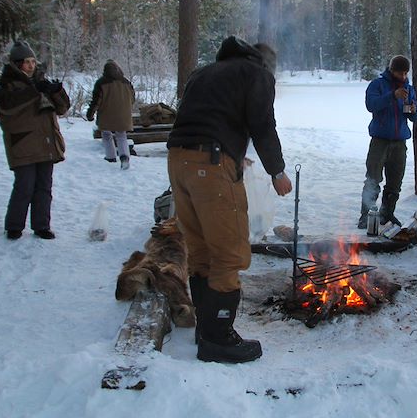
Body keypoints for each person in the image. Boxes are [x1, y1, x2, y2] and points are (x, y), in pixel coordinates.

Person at [166, 36, 292, 364]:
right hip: (210, 163)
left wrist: (234, 155)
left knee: (202, 248)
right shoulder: (257, 74)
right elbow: (262, 124)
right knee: (230, 250)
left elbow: (210, 118)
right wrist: (277, 171)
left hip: (178, 161)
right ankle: (219, 339)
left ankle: (205, 329)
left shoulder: (205, 72)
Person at [0, 40, 70, 240]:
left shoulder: (40, 82)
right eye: (26, 62)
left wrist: (56, 91)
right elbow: (8, 108)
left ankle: (41, 225)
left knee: (44, 187)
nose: (31, 66)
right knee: (24, 186)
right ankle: (14, 226)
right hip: (23, 143)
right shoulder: (6, 86)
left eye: (33, 61)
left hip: (46, 142)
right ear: (17, 64)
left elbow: (63, 108)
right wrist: (34, 90)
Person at [357, 55, 417, 229]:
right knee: (373, 179)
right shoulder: (377, 85)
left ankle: (387, 213)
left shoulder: (408, 88)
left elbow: (414, 116)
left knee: (395, 182)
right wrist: (392, 96)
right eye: (400, 73)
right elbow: (372, 104)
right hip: (380, 141)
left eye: (406, 73)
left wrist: (413, 109)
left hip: (399, 142)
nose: (403, 76)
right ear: (392, 70)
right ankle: (366, 216)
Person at [86, 60, 136, 170]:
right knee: (121, 135)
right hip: (123, 115)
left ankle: (111, 156)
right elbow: (132, 98)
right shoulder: (126, 82)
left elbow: (96, 101)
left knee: (106, 135)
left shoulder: (101, 83)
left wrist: (90, 114)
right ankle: (124, 157)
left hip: (106, 114)